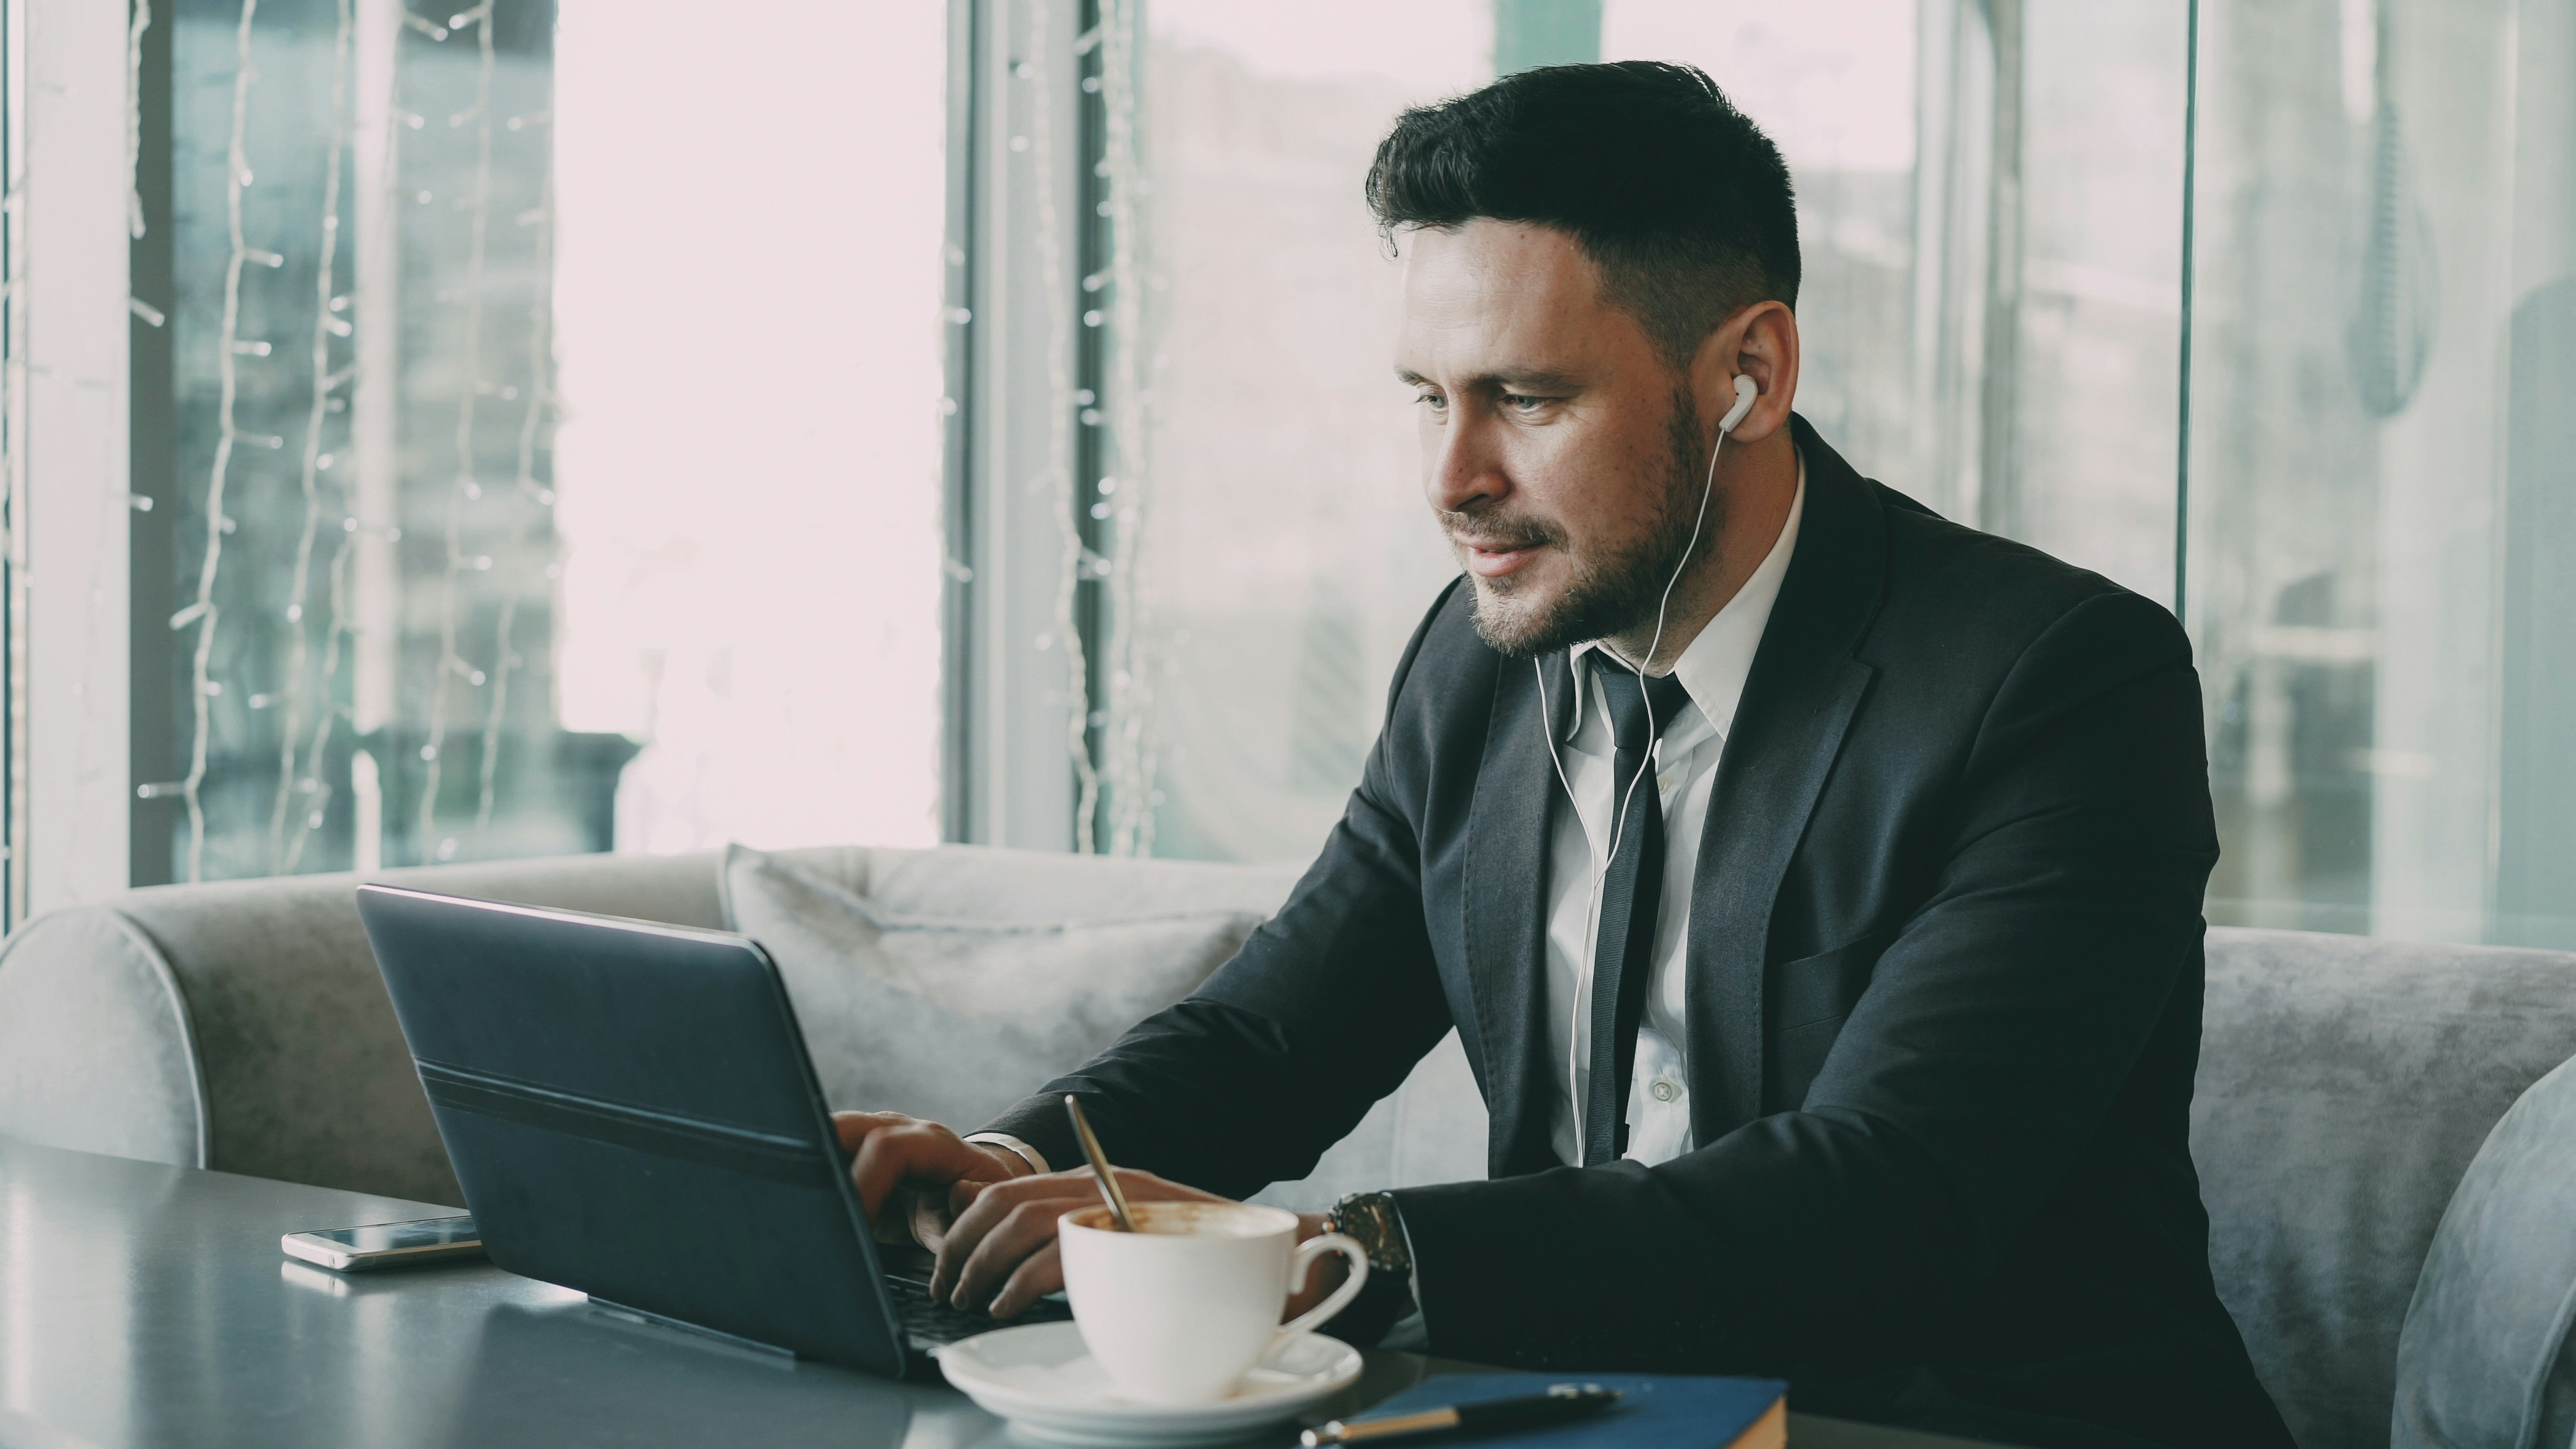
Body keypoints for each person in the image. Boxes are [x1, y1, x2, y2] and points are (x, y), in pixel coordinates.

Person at [836, 61, 2293, 1448]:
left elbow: (1888, 1200)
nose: (1452, 478)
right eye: (1427, 396)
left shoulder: (2055, 683)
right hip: (1583, 1419)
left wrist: (1348, 1257)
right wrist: (1014, 1172)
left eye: (1525, 398)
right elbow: (1270, 1039)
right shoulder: (1476, 662)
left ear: (1749, 373)